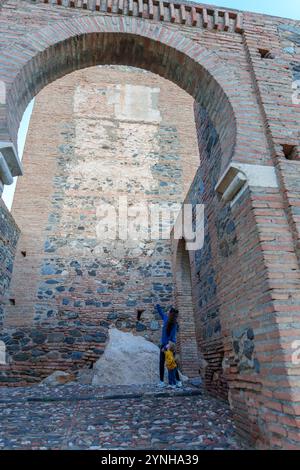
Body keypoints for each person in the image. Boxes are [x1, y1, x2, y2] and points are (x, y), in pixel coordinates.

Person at [155, 304, 182, 388]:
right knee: (163, 363)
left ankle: (177, 381)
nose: (167, 312)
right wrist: (158, 306)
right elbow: (161, 312)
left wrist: (167, 346)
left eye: (169, 311)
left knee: (171, 363)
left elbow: (172, 336)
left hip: (169, 346)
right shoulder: (167, 319)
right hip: (165, 345)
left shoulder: (173, 324)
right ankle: (163, 381)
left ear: (170, 313)